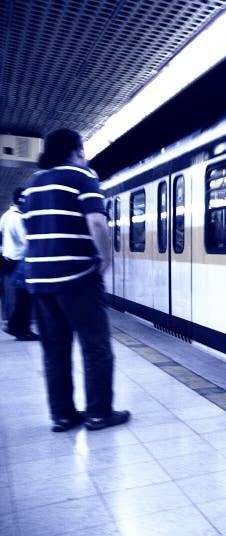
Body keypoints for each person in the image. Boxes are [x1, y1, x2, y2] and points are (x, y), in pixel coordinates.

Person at [23, 128, 130, 432]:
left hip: (39, 280)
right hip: (78, 277)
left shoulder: (32, 185)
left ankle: (63, 416)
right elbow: (96, 220)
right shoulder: (83, 177)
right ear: (78, 150)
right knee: (95, 347)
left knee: (55, 351)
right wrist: (106, 257)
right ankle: (98, 414)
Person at [1, 187, 39, 341]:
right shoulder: (18, 218)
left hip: (7, 259)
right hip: (19, 261)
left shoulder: (6, 215)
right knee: (26, 297)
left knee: (22, 296)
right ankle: (22, 330)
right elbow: (26, 242)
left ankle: (14, 326)